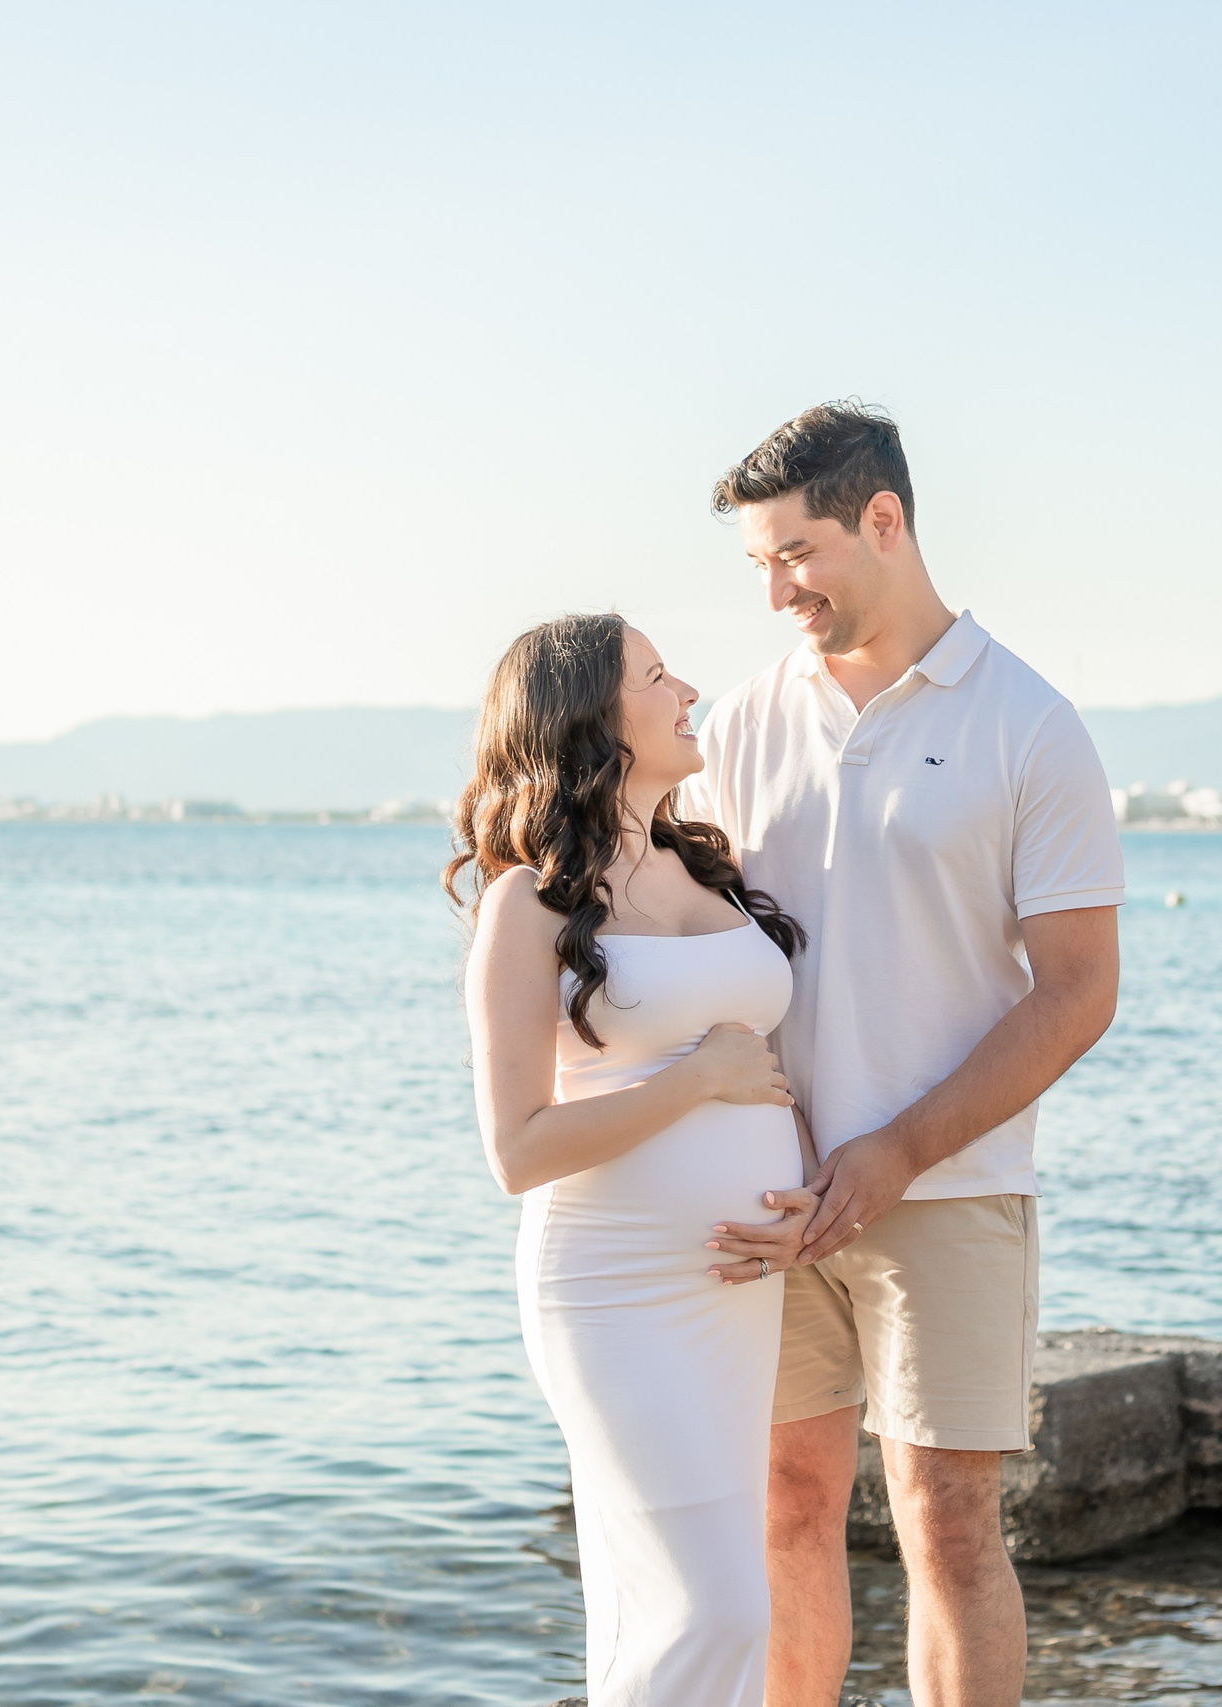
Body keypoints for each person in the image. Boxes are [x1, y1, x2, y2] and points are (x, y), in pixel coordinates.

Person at [681, 403, 1126, 1707]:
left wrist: (897, 1148)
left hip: (951, 1182)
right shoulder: (745, 723)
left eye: (794, 553)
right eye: (755, 565)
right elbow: (679, 936)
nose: (774, 591)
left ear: (885, 519)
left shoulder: (1029, 721)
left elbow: (1083, 988)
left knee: (947, 1524)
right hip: (771, 1186)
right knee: (784, 1501)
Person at [448, 613, 822, 1707]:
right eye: (656, 678)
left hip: (733, 1287)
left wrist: (806, 1200)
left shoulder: (712, 868)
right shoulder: (527, 905)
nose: (687, 690)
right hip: (612, 1292)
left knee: (681, 1609)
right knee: (712, 1611)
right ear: (590, 726)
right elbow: (516, 1152)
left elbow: (775, 1065)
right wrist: (695, 1084)